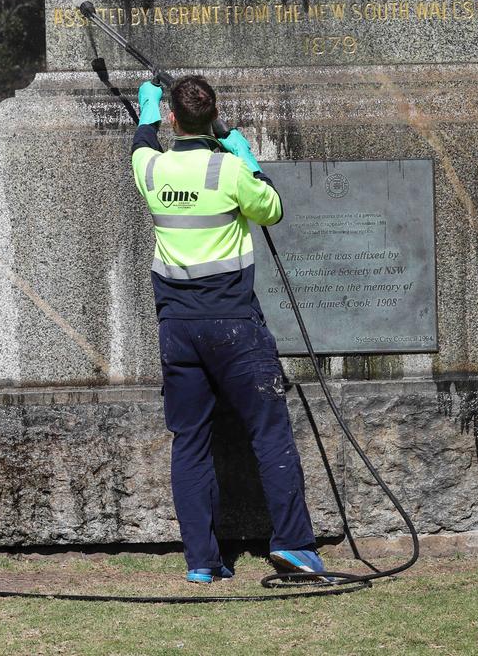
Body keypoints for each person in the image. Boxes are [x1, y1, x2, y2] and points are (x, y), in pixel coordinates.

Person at [131, 75, 325, 583]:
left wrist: (147, 110)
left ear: (172, 117)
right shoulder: (230, 169)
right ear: (212, 115)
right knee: (269, 435)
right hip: (235, 325)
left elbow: (142, 143)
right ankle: (295, 548)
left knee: (189, 440)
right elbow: (273, 209)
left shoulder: (150, 169)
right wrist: (245, 153)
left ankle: (202, 561)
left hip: (177, 327)